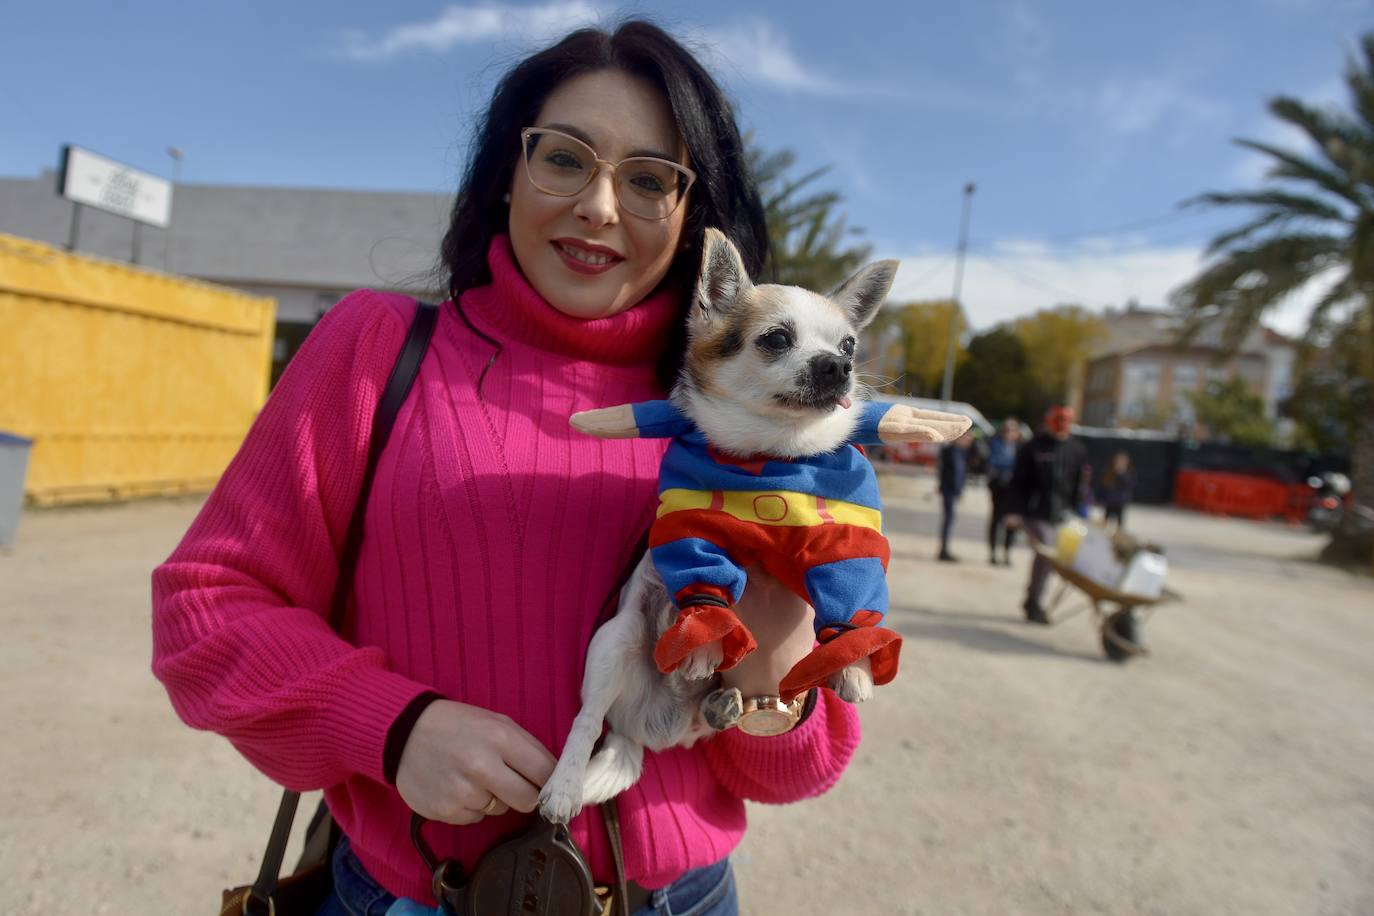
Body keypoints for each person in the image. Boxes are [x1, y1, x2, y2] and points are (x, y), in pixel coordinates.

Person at [150, 21, 860, 916]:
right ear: (505, 173)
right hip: (416, 898)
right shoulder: (376, 350)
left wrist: (775, 659)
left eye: (649, 180)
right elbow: (203, 608)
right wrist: (390, 726)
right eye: (564, 159)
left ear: (692, 220)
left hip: (681, 900)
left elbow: (793, 769)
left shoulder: (768, 428)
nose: (601, 207)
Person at [1004, 405, 1086, 624]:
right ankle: (1033, 603)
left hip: (1062, 516)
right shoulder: (1033, 447)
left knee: (1059, 559)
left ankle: (1034, 600)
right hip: (1036, 513)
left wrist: (1079, 512)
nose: (1062, 428)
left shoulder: (1076, 449)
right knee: (1045, 557)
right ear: (1050, 422)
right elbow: (1017, 482)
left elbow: (1078, 485)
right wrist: (1014, 512)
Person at [984, 418, 1020, 566]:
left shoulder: (1019, 448)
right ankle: (993, 552)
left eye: (1011, 430)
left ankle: (1007, 553)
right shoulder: (995, 444)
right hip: (998, 487)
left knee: (1011, 522)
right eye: (1006, 430)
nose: (1008, 433)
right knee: (996, 520)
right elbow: (991, 463)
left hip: (1013, 489)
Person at [936, 432, 973, 562]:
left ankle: (945, 549)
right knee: (948, 520)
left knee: (949, 520)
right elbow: (954, 473)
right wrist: (957, 490)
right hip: (950, 490)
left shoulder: (959, 452)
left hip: (951, 490)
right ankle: (944, 550)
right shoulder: (952, 451)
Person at [1098, 450, 1136, 532]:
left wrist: (1121, 473)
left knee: (1119, 524)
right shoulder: (1110, 471)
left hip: (1120, 502)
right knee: (1105, 522)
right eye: (1119, 460)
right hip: (1109, 500)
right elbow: (1104, 484)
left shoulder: (1129, 472)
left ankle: (1119, 536)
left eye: (1123, 460)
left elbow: (1130, 484)